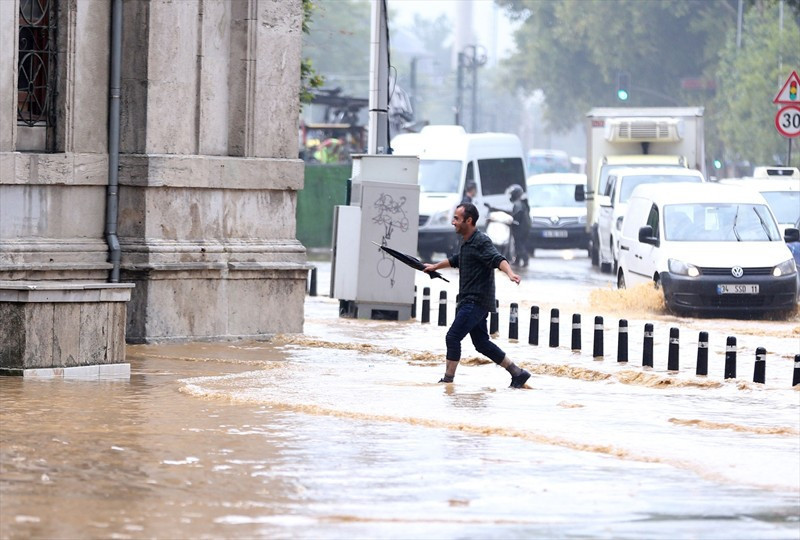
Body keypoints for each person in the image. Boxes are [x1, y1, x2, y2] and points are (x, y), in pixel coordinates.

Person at [423, 202, 531, 388]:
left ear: (469, 220)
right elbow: (458, 259)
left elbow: (497, 259)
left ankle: (448, 380)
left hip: (475, 301)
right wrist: (434, 267)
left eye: (457, 218)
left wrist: (510, 273)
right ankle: (517, 373)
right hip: (470, 300)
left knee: (452, 337)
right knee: (481, 343)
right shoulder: (466, 241)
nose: (453, 222)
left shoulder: (481, 240)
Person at [508, 184, 531, 267]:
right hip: (524, 228)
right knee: (518, 244)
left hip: (521, 229)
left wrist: (512, 221)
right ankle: (517, 260)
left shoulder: (518, 204)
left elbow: (516, 217)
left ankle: (525, 259)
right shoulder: (522, 203)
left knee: (519, 245)